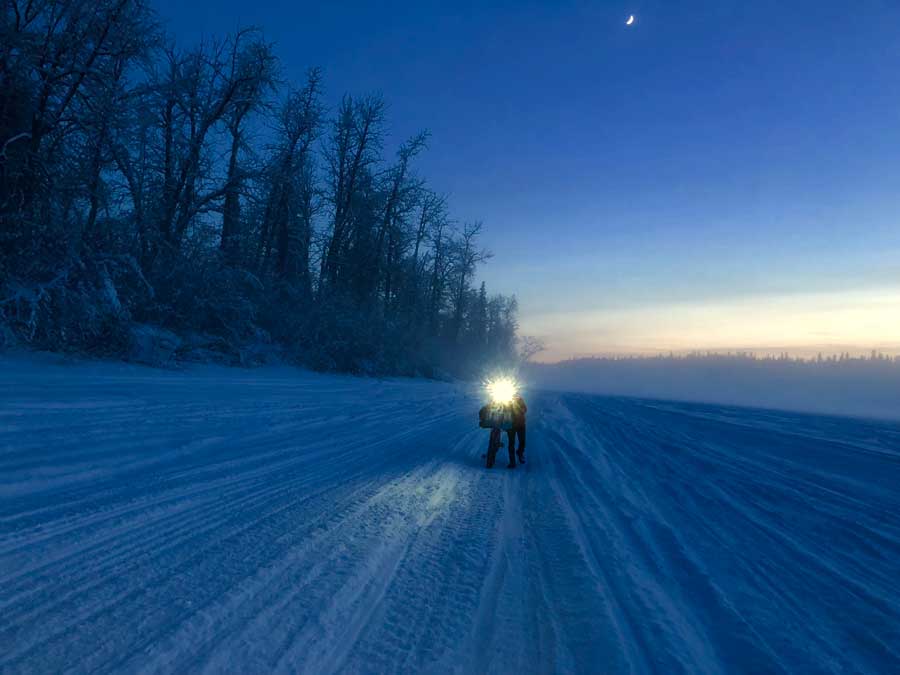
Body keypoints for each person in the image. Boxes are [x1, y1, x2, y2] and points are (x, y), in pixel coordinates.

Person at [506, 393, 527, 467]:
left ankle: (520, 453)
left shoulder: (521, 401)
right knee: (511, 443)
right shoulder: (506, 401)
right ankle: (512, 462)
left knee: (522, 442)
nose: (514, 396)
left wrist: (519, 408)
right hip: (511, 426)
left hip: (521, 425)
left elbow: (524, 409)